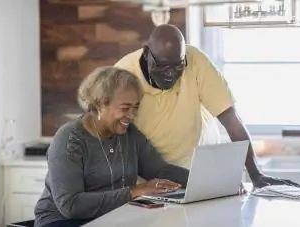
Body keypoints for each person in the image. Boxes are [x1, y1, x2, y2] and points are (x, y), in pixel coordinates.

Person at [114, 24, 300, 189]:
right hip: (150, 181)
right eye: (162, 66)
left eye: (178, 65)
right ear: (147, 54)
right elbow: (116, 139)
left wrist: (255, 174)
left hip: (197, 168)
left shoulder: (196, 61)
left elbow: (230, 119)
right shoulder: (123, 75)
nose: (170, 74)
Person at [34, 66, 189, 227]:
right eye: (125, 108)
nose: (132, 115)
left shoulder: (130, 134)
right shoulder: (69, 139)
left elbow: (160, 170)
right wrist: (134, 192)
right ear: (99, 104)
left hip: (109, 218)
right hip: (62, 221)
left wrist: (201, 180)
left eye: (135, 107)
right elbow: (70, 205)